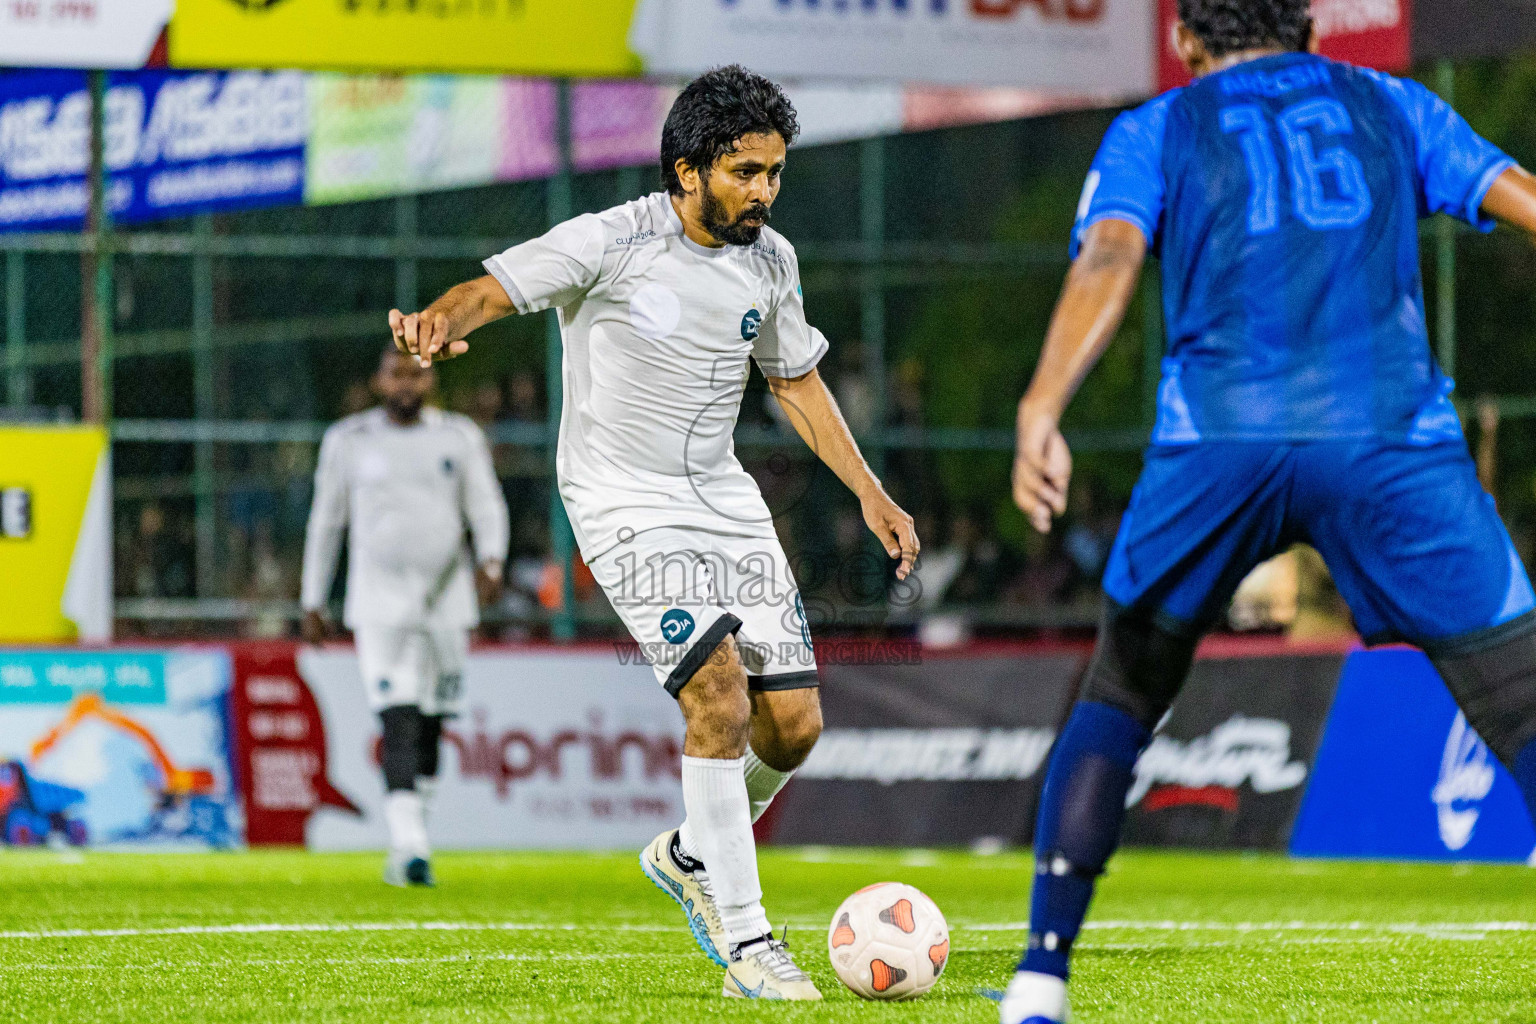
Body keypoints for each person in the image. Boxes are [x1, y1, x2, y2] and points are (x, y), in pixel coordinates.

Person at [1003, 3, 1536, 1022]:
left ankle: (1040, 975)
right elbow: (1520, 199)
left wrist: (1043, 404)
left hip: (1219, 442)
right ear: (1309, 34)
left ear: (1190, 46)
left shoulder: (1158, 126)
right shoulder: (1393, 101)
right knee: (1525, 697)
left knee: (1121, 686)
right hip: (1387, 438)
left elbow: (1110, 259)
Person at [389, 65, 918, 1000]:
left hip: (724, 499)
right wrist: (436, 323)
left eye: (774, 172)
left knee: (792, 728)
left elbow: (794, 381)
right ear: (687, 172)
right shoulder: (612, 239)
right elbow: (493, 289)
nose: (764, 190)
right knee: (715, 695)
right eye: (746, 171)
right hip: (619, 500)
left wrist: (871, 492)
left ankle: (686, 850)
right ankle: (750, 943)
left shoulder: (772, 261)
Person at [300, 346, 509, 888]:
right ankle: (409, 845)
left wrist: (491, 558)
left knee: (433, 723)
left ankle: (415, 834)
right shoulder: (348, 440)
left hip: (447, 599)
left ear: (432, 379)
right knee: (398, 716)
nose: (407, 384)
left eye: (417, 374)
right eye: (397, 374)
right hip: (378, 600)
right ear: (378, 381)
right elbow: (327, 521)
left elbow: (485, 504)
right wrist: (312, 598)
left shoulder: (458, 436)